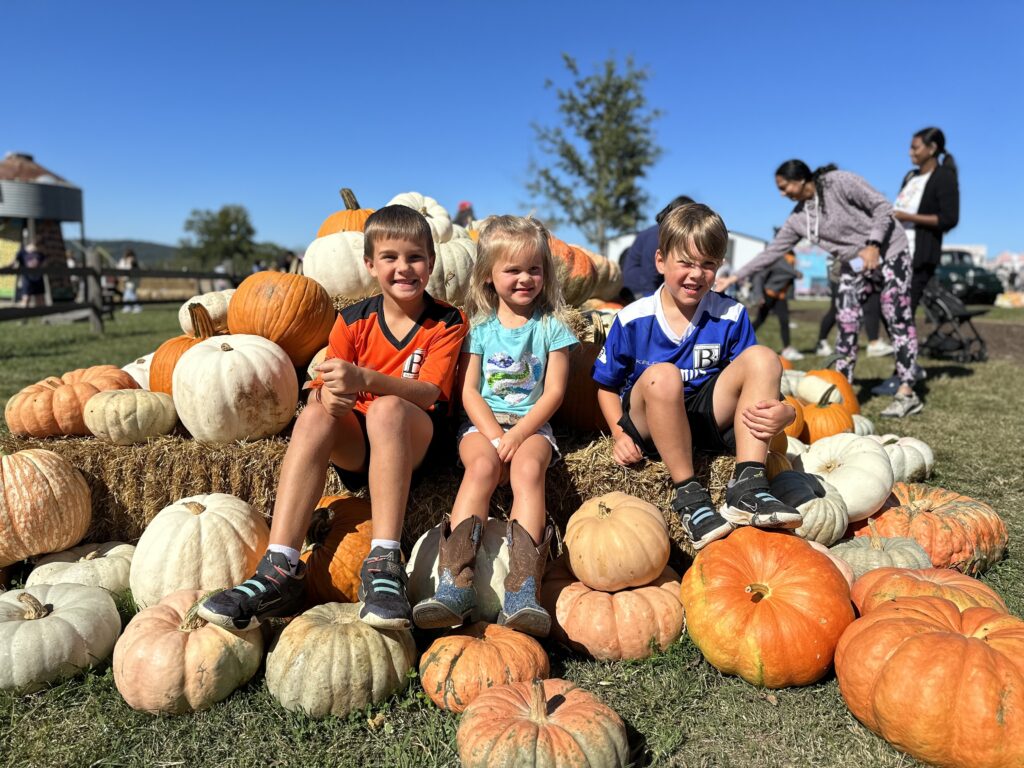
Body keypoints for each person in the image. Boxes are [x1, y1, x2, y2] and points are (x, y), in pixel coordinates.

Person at [198, 206, 467, 631]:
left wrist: (365, 379)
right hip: (361, 444)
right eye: (390, 258)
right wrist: (334, 395)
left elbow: (430, 392)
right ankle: (280, 566)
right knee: (314, 415)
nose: (404, 267)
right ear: (369, 265)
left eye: (415, 257)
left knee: (389, 407)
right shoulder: (352, 319)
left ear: (431, 263)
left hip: (415, 442)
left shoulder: (447, 320)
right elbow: (329, 386)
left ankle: (383, 563)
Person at [593, 203, 802, 551]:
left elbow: (753, 378)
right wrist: (618, 433)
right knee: (664, 376)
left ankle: (747, 485)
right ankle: (689, 495)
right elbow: (605, 385)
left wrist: (787, 412)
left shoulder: (731, 313)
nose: (696, 274)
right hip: (651, 419)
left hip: (706, 417)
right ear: (661, 261)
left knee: (764, 357)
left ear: (719, 266)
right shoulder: (632, 317)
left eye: (707, 264)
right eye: (685, 263)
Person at [412, 216, 577, 637]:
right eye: (513, 270)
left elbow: (554, 393)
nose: (525, 278)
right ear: (488, 275)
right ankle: (456, 582)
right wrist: (496, 436)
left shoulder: (551, 328)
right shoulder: (479, 329)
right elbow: (469, 392)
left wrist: (519, 435)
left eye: (534, 269)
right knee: (482, 467)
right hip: (483, 426)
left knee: (528, 470)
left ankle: (523, 589)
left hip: (532, 426)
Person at [719, 161, 921, 419]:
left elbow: (883, 207)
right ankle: (842, 391)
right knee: (846, 321)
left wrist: (874, 244)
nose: (782, 193)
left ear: (801, 179)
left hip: (890, 249)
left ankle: (906, 391)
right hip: (855, 261)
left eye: (784, 187)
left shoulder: (839, 181)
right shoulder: (798, 219)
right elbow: (772, 252)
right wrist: (734, 276)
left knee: (896, 315)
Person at [621, 195, 695, 301]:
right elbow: (649, 274)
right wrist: (653, 303)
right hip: (636, 289)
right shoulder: (657, 236)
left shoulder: (671, 236)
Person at [749, 249, 803, 361]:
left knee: (784, 320)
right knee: (760, 320)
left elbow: (793, 274)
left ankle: (787, 349)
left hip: (780, 296)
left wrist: (796, 273)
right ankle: (740, 339)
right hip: (769, 294)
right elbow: (759, 277)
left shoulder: (791, 258)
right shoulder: (777, 259)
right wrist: (759, 295)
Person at [10, 241, 46, 309]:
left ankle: (43, 317)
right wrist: (7, 268)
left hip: (38, 279)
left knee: (40, 299)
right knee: (26, 299)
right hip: (27, 278)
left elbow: (44, 264)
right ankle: (23, 318)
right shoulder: (22, 252)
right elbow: (13, 262)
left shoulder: (40, 254)